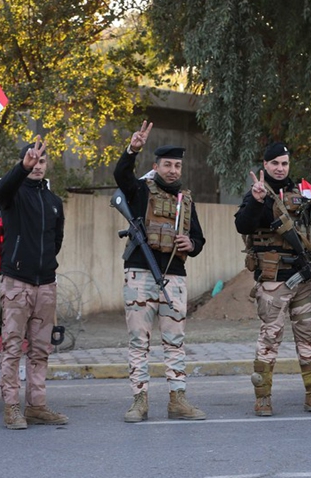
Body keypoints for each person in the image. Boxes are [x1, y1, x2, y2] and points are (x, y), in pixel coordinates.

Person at [114, 120, 207, 422]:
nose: (173, 171)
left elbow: (200, 239)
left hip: (174, 277)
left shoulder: (185, 200)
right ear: (156, 166)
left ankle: (177, 400)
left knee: (175, 342)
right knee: (139, 342)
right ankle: (139, 401)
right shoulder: (141, 190)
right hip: (140, 275)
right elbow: (121, 176)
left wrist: (190, 244)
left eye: (177, 166)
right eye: (167, 165)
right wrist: (132, 150)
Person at [234, 142, 311, 416]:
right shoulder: (257, 194)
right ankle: (263, 398)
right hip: (273, 280)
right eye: (274, 163)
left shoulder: (304, 193)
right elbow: (243, 224)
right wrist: (256, 201)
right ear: (265, 165)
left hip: (303, 279)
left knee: (308, 338)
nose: (280, 168)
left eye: (284, 163)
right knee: (270, 338)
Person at [0, 136, 68, 429]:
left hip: (46, 285)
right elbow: (1, 188)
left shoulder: (53, 201)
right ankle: (12, 408)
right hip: (17, 284)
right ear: (25, 162)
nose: (37, 165)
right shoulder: (14, 194)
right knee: (12, 348)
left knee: (40, 350)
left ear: (47, 164)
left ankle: (36, 406)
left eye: (41, 160)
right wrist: (20, 169)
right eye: (32, 160)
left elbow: (56, 240)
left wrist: (45, 265)